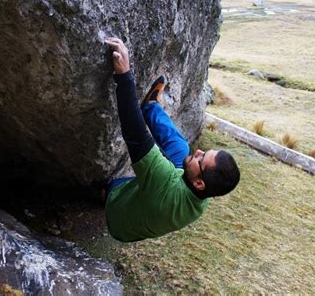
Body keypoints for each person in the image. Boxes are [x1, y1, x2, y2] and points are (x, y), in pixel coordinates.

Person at [103, 37, 240, 242]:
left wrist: (124, 75)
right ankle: (150, 106)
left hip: (117, 216)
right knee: (181, 148)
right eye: (205, 152)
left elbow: (136, 134)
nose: (199, 152)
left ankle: (101, 193)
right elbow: (185, 168)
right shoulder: (203, 196)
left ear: (200, 183)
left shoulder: (164, 182)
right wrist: (195, 163)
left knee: (113, 186)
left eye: (201, 159)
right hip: (155, 199)